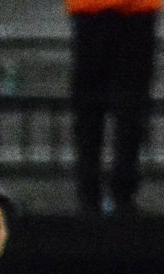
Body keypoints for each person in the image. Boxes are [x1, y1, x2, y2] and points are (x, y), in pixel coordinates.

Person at [67, 0, 160, 215]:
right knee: (127, 108)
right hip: (131, 12)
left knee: (95, 109)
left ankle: (92, 194)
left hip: (96, 11)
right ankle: (120, 194)